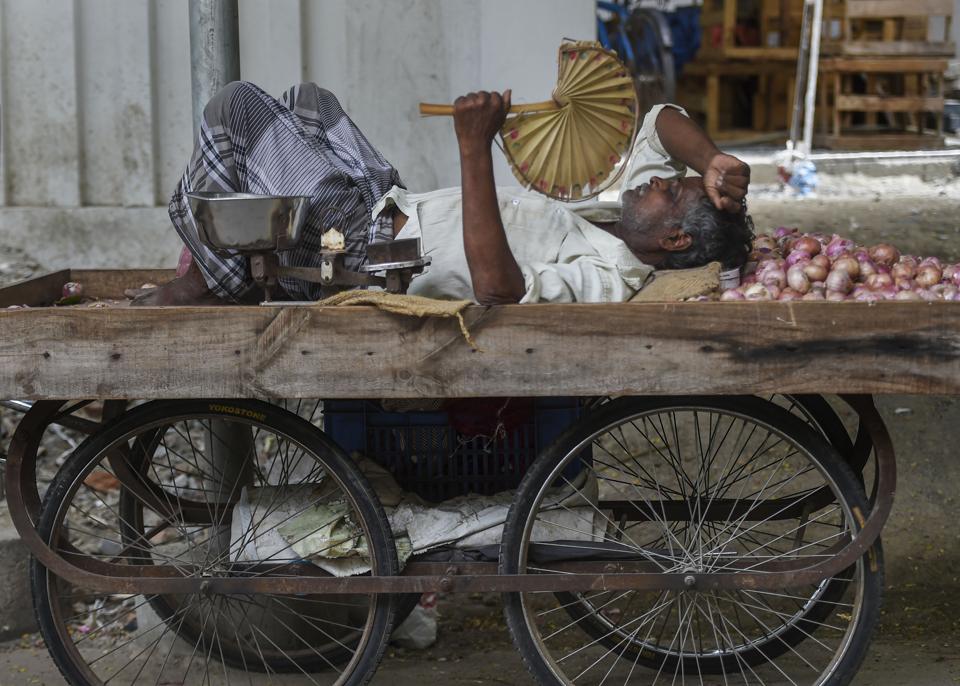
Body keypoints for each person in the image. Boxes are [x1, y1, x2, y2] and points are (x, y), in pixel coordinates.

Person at [134, 81, 751, 306]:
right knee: (307, 103)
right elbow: (662, 120)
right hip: (385, 206)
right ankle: (225, 259)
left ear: (673, 237)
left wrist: (473, 146)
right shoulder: (617, 217)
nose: (652, 179)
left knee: (235, 108)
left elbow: (498, 289)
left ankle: (211, 281)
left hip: (364, 256)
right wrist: (711, 160)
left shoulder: (610, 274)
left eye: (667, 189)